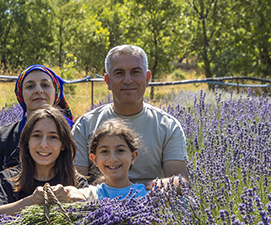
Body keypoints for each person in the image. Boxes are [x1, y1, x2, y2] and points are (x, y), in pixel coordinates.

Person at [72, 45, 188, 189]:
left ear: (147, 78)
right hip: (99, 204)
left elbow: (180, 179)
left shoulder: (168, 126)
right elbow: (77, 179)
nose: (128, 80)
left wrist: (152, 189)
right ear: (108, 80)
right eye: (119, 73)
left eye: (135, 72)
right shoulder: (86, 125)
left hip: (152, 203)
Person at [0, 64, 74, 194]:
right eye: (30, 86)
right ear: (21, 94)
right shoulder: (4, 137)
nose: (38, 90)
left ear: (56, 92)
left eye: (45, 85)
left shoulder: (73, 133)